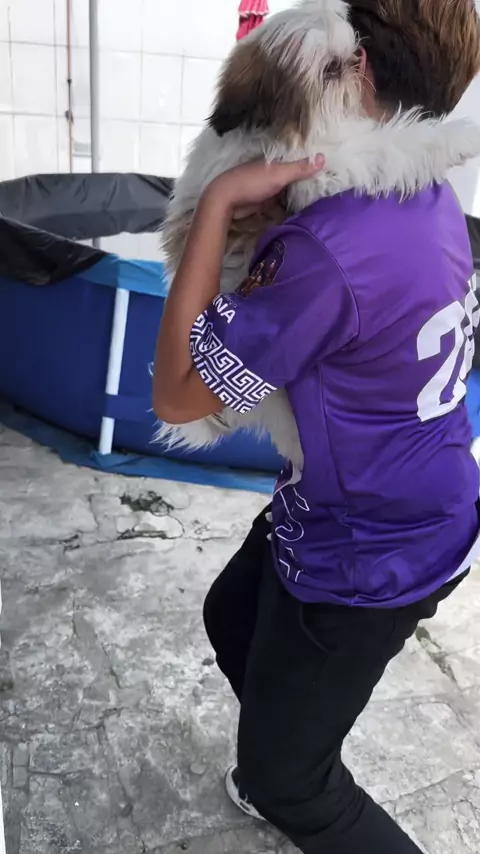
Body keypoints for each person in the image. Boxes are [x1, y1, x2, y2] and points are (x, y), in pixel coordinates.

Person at [153, 1, 480, 851]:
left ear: (358, 66)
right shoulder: (426, 190)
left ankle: (287, 780)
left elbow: (180, 397)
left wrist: (220, 200)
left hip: (368, 549)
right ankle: (288, 749)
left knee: (293, 783)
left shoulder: (328, 247)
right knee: (232, 616)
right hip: (386, 497)